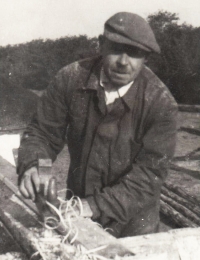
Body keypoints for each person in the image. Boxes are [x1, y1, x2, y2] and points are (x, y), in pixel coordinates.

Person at [17, 12, 178, 238]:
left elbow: (148, 176)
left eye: (134, 53)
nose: (123, 62)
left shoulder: (161, 104)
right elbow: (42, 133)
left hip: (134, 224)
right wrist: (33, 165)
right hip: (77, 212)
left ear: (146, 58)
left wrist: (90, 207)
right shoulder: (70, 79)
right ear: (101, 45)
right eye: (116, 48)